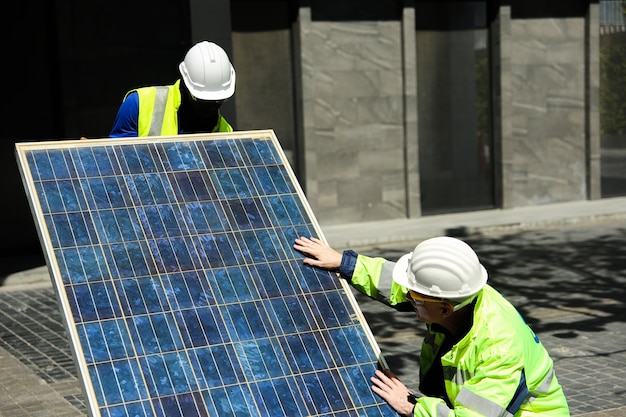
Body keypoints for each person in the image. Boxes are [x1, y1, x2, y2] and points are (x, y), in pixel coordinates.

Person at [293, 235, 569, 416]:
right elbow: (398, 284)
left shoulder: (498, 349)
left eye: (415, 296)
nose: (406, 296)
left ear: (445, 308)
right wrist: (346, 263)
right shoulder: (461, 297)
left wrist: (413, 407)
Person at [109, 40, 235, 138]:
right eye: (201, 101)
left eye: (218, 101)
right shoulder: (139, 105)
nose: (210, 108)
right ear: (185, 84)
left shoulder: (225, 132)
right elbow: (119, 162)